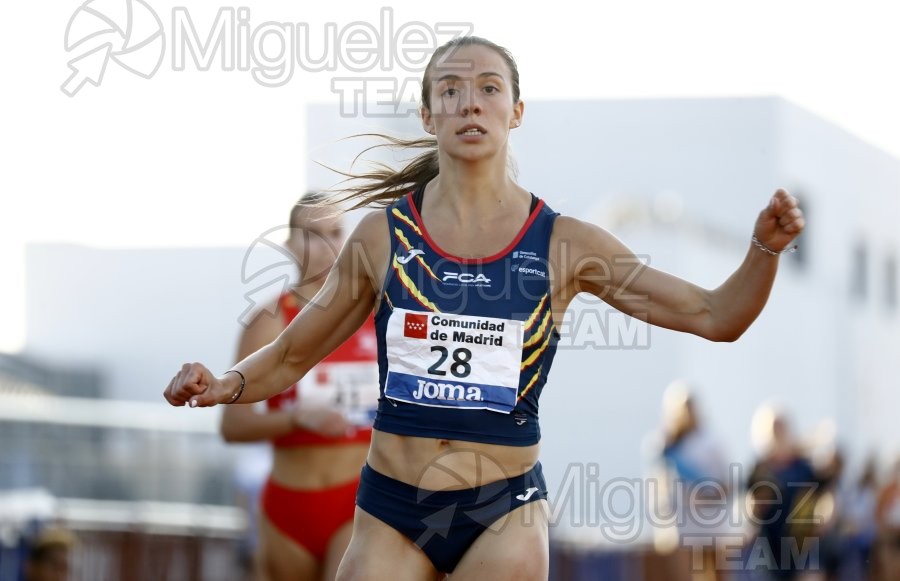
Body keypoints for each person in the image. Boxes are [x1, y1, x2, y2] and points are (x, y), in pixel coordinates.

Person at [165, 36, 805, 580]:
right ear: (428, 113)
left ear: (517, 110)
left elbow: (715, 316)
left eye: (489, 88)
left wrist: (762, 250)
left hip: (502, 508)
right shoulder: (381, 237)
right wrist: (225, 384)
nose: (470, 101)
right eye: (450, 90)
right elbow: (292, 354)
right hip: (392, 505)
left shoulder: (564, 244)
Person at [219, 192, 379, 581]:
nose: (326, 247)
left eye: (336, 232)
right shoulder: (269, 320)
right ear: (290, 243)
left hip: (358, 500)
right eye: (311, 234)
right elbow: (233, 426)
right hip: (288, 507)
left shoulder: (378, 314)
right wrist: (296, 420)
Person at [653, 381, 731, 581]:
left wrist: (709, 496)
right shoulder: (665, 445)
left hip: (712, 521)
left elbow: (727, 482)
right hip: (682, 524)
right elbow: (659, 486)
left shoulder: (712, 441)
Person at [745, 406, 823, 581]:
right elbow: (751, 508)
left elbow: (820, 499)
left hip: (802, 541)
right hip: (770, 542)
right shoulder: (760, 469)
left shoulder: (804, 468)